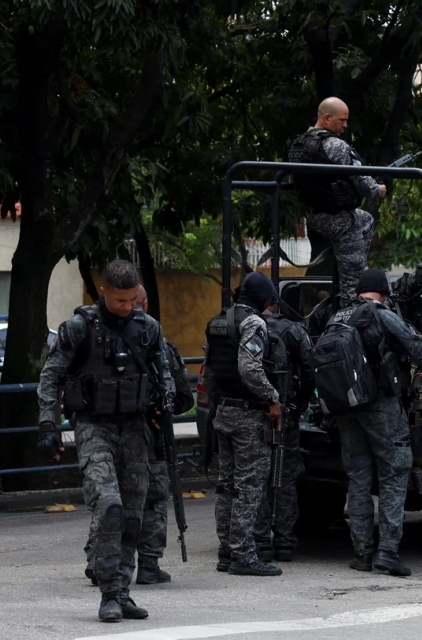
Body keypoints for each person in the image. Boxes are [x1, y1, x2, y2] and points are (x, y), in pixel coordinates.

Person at [37, 260, 175, 622]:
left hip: (135, 429)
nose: (127, 307)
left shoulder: (148, 328)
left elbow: (164, 373)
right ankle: (109, 593)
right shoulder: (79, 327)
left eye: (132, 300)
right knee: (110, 506)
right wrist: (48, 424)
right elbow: (50, 376)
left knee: (132, 514)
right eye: (119, 301)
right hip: (93, 427)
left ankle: (122, 592)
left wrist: (165, 406)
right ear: (103, 292)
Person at [83, 286, 195, 587]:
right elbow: (183, 398)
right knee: (152, 501)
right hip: (150, 440)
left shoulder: (100, 339)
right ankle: (148, 564)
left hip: (112, 437)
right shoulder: (160, 345)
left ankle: (99, 561)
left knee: (110, 501)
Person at [328, 269, 422, 576]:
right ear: (384, 293)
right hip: (381, 405)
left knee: (358, 477)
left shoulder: (338, 317)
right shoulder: (383, 316)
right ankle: (387, 551)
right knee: (394, 472)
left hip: (347, 407)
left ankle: (362, 553)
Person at [205, 272, 288, 577]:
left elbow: (209, 371)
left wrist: (217, 404)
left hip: (224, 411)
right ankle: (243, 554)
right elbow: (250, 368)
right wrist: (272, 398)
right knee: (248, 487)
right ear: (265, 300)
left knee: (226, 485)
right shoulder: (253, 323)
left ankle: (226, 551)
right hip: (250, 415)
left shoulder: (217, 321)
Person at [289, 97, 387, 305]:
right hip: (338, 219)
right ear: (327, 118)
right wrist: (378, 189)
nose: (345, 125)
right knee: (353, 280)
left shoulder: (299, 145)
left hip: (314, 216)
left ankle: (356, 260)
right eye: (342, 120)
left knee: (365, 219)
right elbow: (362, 181)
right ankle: (348, 320)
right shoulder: (335, 145)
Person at [255, 299, 315, 563]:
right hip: (286, 414)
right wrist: (300, 405)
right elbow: (311, 372)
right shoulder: (294, 330)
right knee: (285, 478)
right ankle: (285, 542)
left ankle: (260, 542)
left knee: (256, 479)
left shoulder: (244, 328)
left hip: (253, 414)